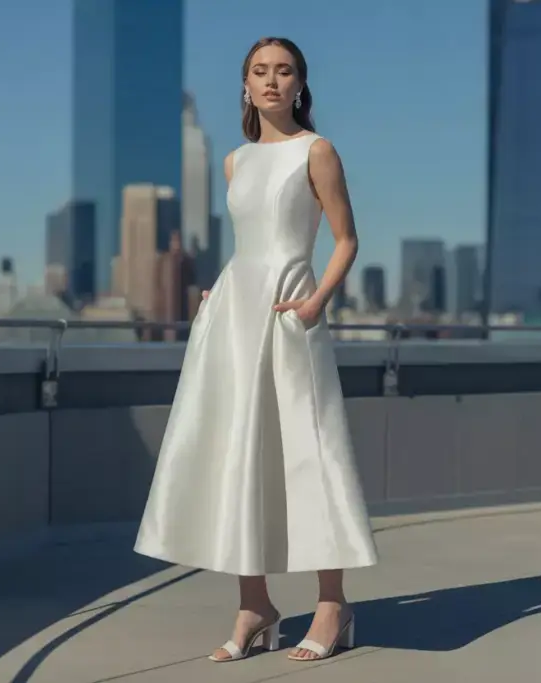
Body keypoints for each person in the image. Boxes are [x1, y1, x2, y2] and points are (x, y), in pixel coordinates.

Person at [133, 36, 378, 663]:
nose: (272, 81)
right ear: (245, 85)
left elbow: (346, 240)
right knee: (237, 450)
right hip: (234, 315)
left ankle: (332, 605)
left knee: (308, 450)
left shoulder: (317, 151)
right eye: (260, 71)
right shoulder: (235, 161)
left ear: (300, 84)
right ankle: (255, 606)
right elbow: (249, 243)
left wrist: (317, 301)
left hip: (292, 312)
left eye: (284, 71)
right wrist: (220, 289)